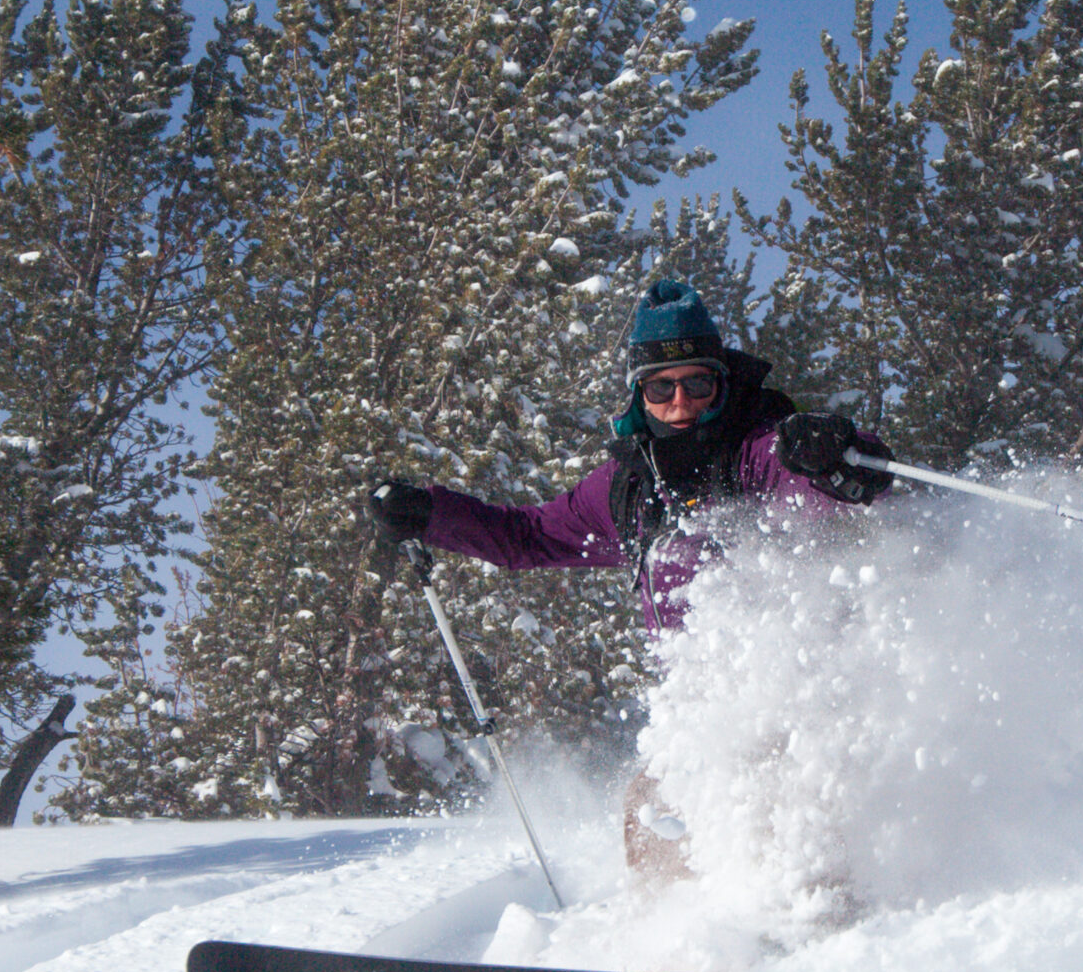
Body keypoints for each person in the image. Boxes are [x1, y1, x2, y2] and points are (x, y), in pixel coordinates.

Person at [365, 278, 892, 874]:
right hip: (702, 717)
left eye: (698, 383)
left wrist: (834, 454)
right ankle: (670, 951)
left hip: (805, 705)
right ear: (638, 393)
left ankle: (819, 947)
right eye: (660, 387)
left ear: (724, 382)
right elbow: (529, 537)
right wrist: (432, 515)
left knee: (780, 815)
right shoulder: (627, 488)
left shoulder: (760, 451)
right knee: (649, 808)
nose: (680, 402)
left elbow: (841, 488)